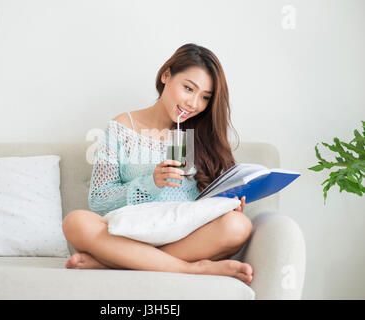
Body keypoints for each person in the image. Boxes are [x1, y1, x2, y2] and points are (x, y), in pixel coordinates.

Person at [62, 43, 254, 286]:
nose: (194, 103)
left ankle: (115, 263)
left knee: (238, 226)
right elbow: (99, 200)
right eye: (188, 88)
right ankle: (191, 269)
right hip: (128, 233)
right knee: (76, 222)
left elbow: (201, 204)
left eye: (205, 97)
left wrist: (225, 204)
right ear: (166, 76)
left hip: (182, 235)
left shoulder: (202, 134)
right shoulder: (121, 127)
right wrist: (150, 183)